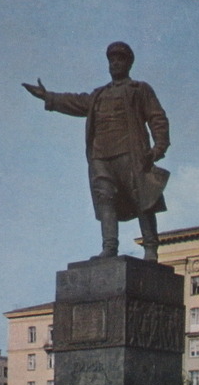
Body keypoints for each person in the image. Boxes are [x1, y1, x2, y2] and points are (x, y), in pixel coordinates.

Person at [23, 42, 170, 261]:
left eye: (120, 59)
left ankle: (150, 247)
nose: (115, 64)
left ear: (129, 63)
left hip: (130, 152)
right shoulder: (99, 95)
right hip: (100, 156)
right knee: (105, 199)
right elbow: (76, 101)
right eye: (111, 60)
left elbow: (157, 117)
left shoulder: (139, 89)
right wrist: (48, 96)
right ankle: (109, 247)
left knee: (143, 199)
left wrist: (158, 147)